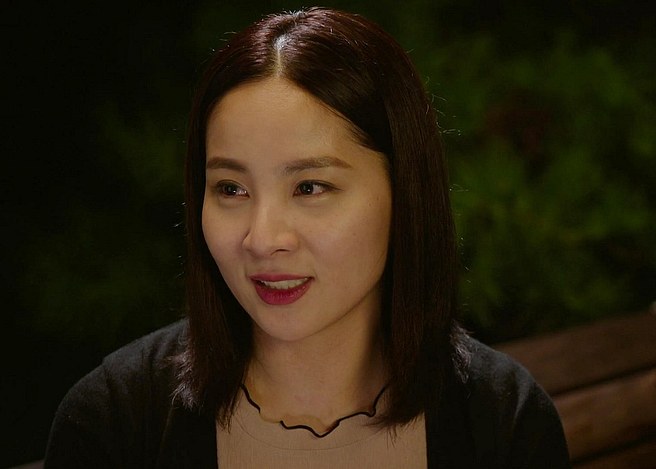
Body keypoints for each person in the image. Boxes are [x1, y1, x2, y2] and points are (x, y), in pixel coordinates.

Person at [44, 7, 570, 468]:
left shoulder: (503, 420)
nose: (262, 239)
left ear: (405, 191)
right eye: (231, 188)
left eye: (310, 187)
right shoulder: (114, 421)